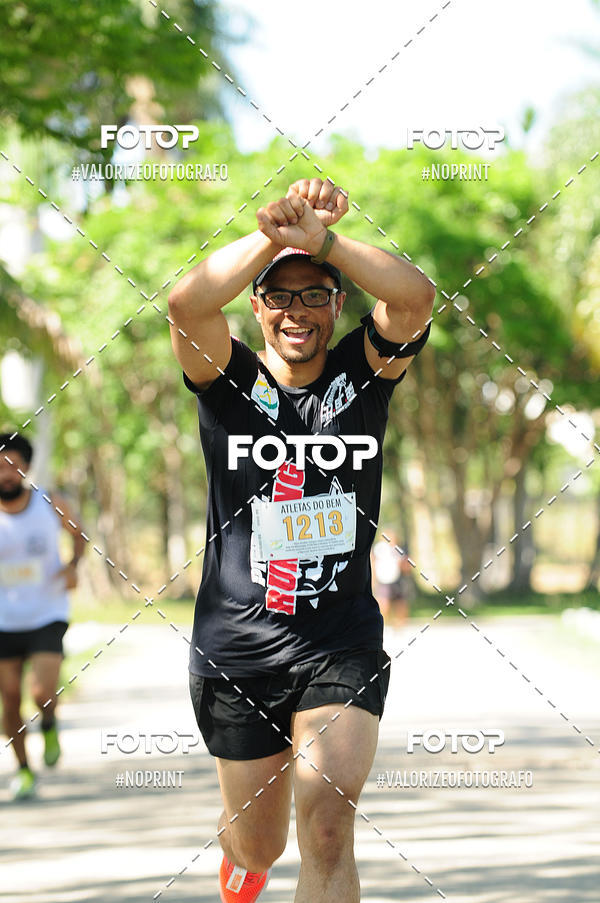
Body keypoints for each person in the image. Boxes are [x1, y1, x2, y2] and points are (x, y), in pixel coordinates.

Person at [168, 178, 434, 902]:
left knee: (326, 825)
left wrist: (327, 242)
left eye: (314, 293)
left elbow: (414, 297)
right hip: (237, 648)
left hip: (338, 641)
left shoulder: (362, 375)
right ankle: (241, 861)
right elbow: (186, 303)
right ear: (255, 306)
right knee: (260, 842)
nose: (296, 310)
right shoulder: (230, 381)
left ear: (337, 302)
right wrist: (278, 232)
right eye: (278, 295)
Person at [0, 432, 84, 800]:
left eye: (13, 465)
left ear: (27, 468)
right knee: (10, 697)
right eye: (0, 466)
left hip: (47, 610)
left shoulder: (50, 503)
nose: (6, 473)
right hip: (4, 619)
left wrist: (72, 565)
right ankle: (22, 770)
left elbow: (79, 535)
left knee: (41, 691)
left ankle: (48, 722)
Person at [371, 529, 413, 626]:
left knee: (400, 603)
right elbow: (373, 564)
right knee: (384, 604)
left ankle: (400, 624)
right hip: (384, 580)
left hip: (398, 579)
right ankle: (384, 624)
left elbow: (406, 565)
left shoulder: (399, 549)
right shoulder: (378, 549)